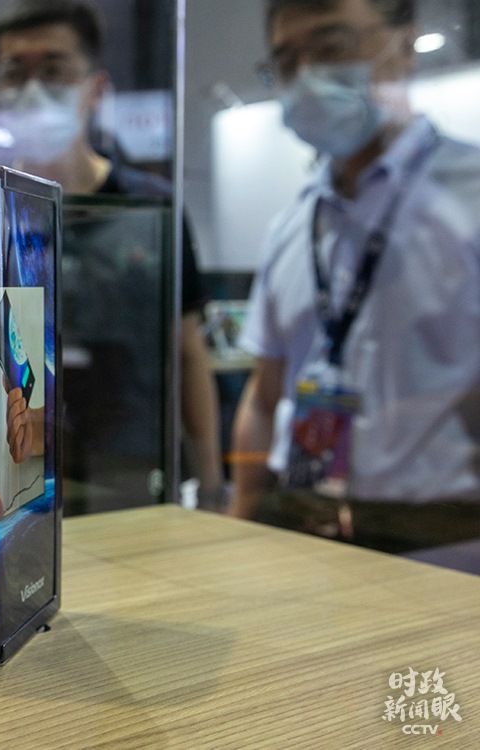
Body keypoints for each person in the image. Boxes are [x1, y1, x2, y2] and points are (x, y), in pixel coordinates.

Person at [228, 0, 480, 553]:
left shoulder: (470, 196)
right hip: (302, 530)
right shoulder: (292, 224)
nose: (307, 76)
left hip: (441, 545)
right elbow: (264, 396)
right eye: (287, 62)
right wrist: (238, 525)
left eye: (332, 47)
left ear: (405, 45)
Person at [0, 0, 225, 509]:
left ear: (95, 88)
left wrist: (211, 485)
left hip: (132, 473)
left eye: (54, 70)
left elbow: (188, 352)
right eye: (14, 72)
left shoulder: (150, 207)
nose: (32, 90)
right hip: (20, 478)